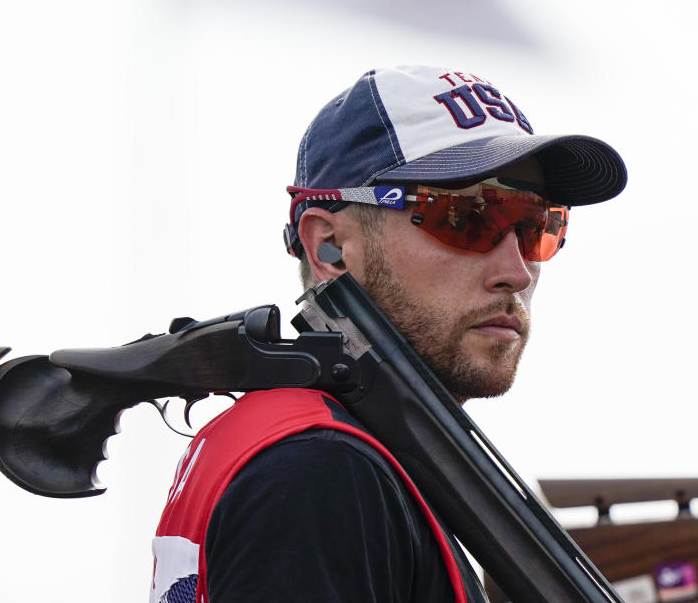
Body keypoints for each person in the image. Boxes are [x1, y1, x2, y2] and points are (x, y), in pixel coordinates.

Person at [148, 65, 626, 602]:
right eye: (466, 218)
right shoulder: (323, 470)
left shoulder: (315, 445)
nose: (516, 271)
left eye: (537, 227)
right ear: (329, 245)